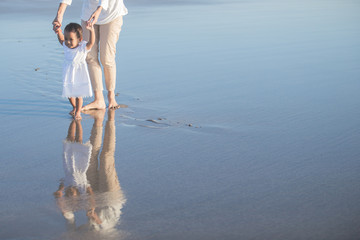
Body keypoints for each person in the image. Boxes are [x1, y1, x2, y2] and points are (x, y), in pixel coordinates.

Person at [53, 0, 128, 110]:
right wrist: (59, 16)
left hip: (111, 13)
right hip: (88, 14)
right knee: (89, 57)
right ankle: (99, 100)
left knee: (106, 58)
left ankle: (111, 96)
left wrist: (99, 9)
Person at [55, 22, 95, 120]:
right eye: (67, 38)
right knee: (69, 93)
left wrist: (91, 31)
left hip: (79, 73)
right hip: (68, 73)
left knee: (78, 94)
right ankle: (74, 107)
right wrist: (58, 31)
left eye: (71, 39)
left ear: (79, 39)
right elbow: (61, 39)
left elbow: (91, 43)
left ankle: (78, 112)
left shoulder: (82, 47)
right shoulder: (66, 46)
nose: (68, 42)